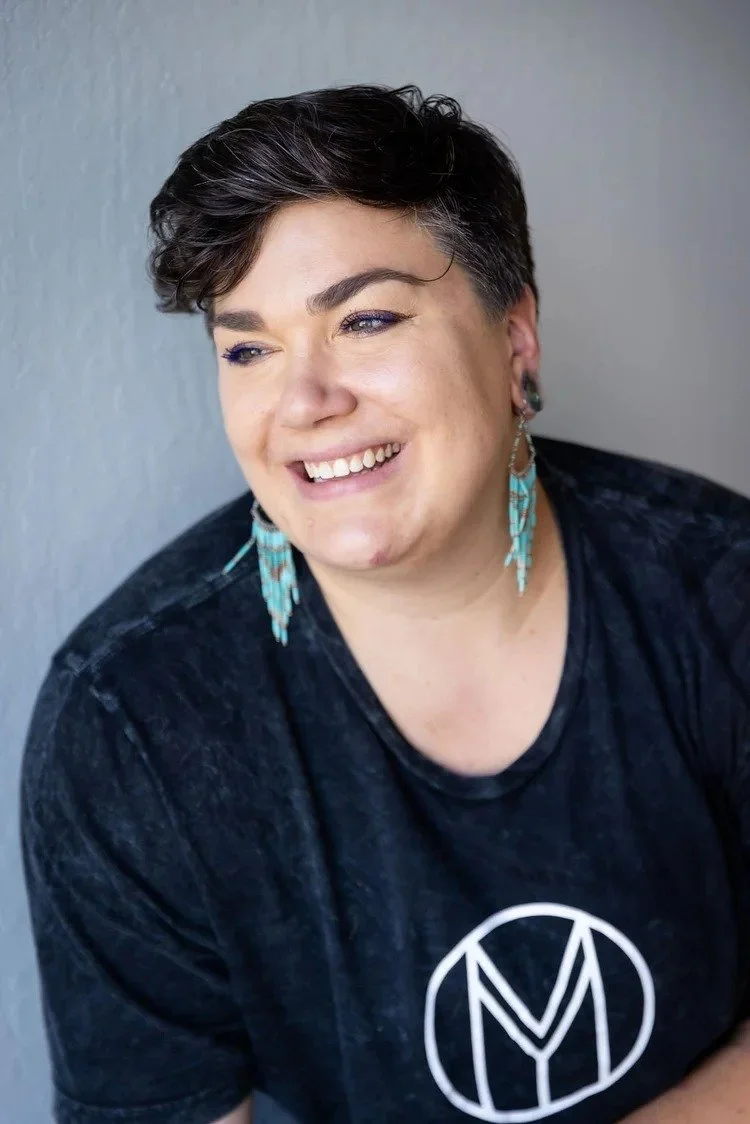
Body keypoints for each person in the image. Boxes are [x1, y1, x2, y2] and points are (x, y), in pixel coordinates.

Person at [19, 82, 750, 1124]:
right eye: (248, 347)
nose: (305, 401)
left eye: (365, 318)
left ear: (516, 338)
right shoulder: (132, 724)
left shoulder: (719, 591)